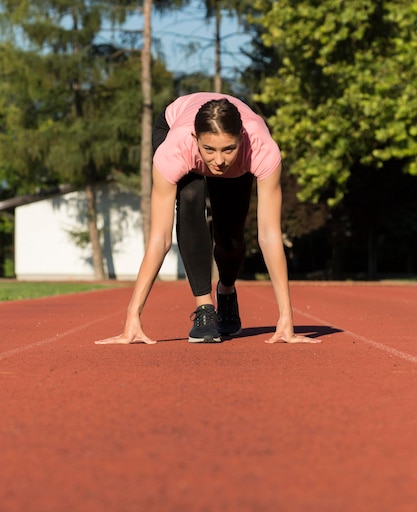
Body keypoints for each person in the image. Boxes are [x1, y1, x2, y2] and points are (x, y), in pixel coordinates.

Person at [96, 92, 320, 346]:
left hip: (237, 150)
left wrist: (286, 318)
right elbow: (159, 239)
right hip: (174, 125)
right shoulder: (175, 149)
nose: (219, 161)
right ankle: (205, 309)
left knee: (230, 236)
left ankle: (226, 292)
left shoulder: (261, 148)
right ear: (195, 139)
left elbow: (269, 235)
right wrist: (132, 315)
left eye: (229, 149)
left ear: (241, 139)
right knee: (190, 197)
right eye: (209, 150)